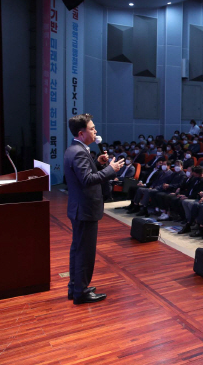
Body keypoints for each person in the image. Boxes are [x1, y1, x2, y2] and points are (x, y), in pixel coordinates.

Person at [64, 114, 123, 305]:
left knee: (78, 249)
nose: (95, 131)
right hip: (85, 209)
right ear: (81, 133)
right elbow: (88, 180)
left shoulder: (74, 149)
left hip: (79, 207)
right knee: (85, 252)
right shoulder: (80, 152)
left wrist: (98, 163)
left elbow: (85, 173)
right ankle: (81, 292)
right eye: (92, 128)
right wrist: (110, 170)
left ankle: (75, 287)